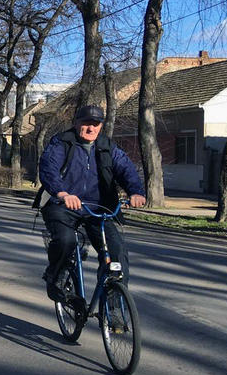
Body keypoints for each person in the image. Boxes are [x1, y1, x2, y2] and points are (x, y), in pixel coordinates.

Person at [38, 104, 146, 300]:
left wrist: (136, 192)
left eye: (95, 124)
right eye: (86, 123)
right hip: (63, 205)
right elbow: (49, 169)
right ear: (76, 123)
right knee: (66, 241)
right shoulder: (61, 143)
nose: (91, 128)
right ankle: (56, 275)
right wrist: (62, 194)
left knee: (117, 253)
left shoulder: (107, 146)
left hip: (99, 209)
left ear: (101, 126)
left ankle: (114, 310)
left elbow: (126, 169)